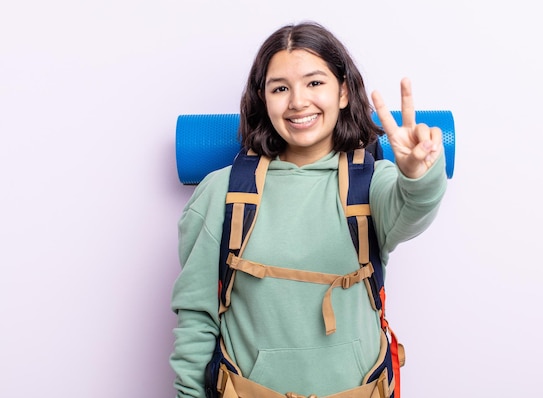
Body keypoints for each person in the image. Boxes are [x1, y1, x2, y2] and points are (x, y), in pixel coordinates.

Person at [170, 21, 447, 398]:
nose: (298, 101)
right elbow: (196, 320)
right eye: (280, 88)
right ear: (263, 100)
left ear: (344, 92)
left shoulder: (373, 184)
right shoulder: (221, 191)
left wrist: (417, 176)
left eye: (315, 83)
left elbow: (412, 208)